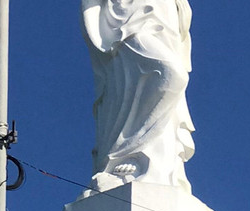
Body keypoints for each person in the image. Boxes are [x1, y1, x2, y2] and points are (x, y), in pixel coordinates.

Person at [81, 0, 196, 192]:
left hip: (165, 20)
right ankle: (124, 156)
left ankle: (156, 166)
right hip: (129, 21)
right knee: (169, 76)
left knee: (167, 105)